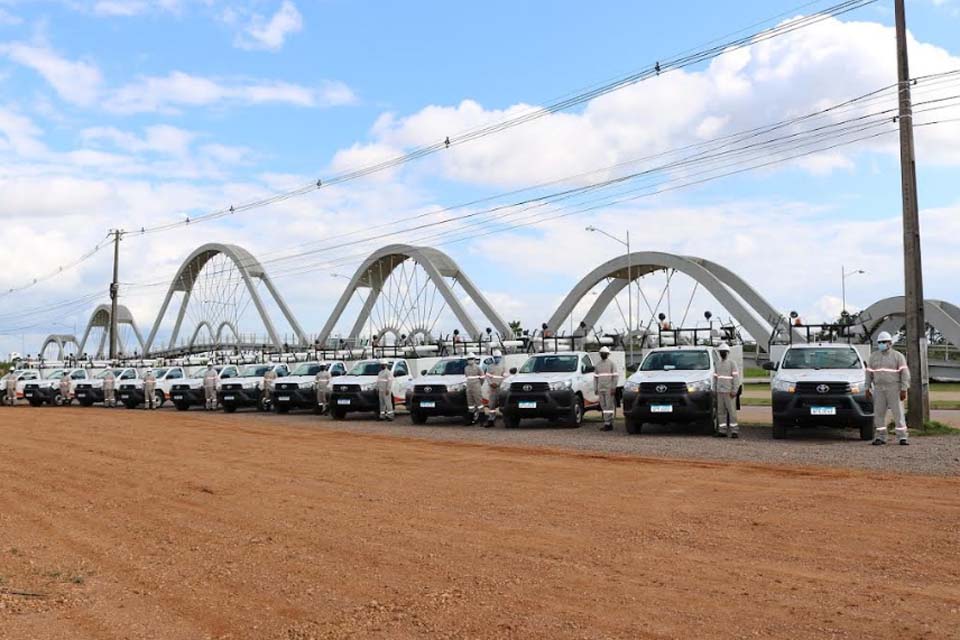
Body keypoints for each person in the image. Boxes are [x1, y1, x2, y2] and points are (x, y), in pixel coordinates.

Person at [865, 331, 911, 445]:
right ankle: (881, 436)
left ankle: (902, 437)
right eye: (880, 342)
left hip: (894, 387)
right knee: (879, 413)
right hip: (878, 388)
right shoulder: (873, 357)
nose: (882, 344)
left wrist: (904, 389)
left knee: (898, 413)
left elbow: (905, 374)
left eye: (884, 342)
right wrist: (867, 388)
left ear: (890, 343)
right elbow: (869, 373)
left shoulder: (898, 356)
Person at [714, 343, 740, 438]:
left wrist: (734, 390)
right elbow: (715, 378)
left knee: (732, 412)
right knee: (721, 412)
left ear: (728, 353)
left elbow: (736, 378)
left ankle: (734, 431)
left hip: (729, 392)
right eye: (721, 352)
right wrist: (715, 390)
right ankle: (722, 431)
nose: (722, 353)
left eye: (724, 352)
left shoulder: (732, 363)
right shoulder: (717, 364)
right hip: (720, 391)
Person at [593, 346, 619, 431]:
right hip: (601, 388)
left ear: (607, 354)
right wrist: (595, 388)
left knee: (609, 406)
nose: (603, 355)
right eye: (602, 353)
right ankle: (607, 422)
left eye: (605, 353)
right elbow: (595, 378)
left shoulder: (612, 364)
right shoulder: (598, 365)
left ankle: (608, 423)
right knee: (603, 406)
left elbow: (615, 377)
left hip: (609, 388)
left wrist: (613, 388)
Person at [483, 350, 507, 428]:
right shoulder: (490, 367)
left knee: (503, 403)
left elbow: (505, 378)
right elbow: (487, 377)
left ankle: (505, 420)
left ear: (501, 357)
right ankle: (491, 419)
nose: (497, 359)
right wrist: (491, 384)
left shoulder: (503, 367)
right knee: (492, 405)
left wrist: (499, 384)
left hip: (500, 388)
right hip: (492, 388)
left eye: (498, 357)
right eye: (496, 357)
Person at [463, 353, 484, 425]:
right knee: (470, 404)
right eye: (469, 359)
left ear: (474, 359)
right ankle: (470, 420)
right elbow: (466, 377)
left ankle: (482, 420)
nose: (470, 360)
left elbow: (482, 378)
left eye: (471, 359)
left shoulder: (478, 368)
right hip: (469, 387)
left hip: (476, 386)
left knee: (479, 403)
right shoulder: (466, 368)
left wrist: (479, 385)